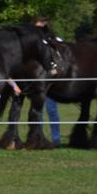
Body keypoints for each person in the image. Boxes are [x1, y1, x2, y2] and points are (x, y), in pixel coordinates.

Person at [33, 16, 61, 146]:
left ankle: (56, 138)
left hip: (50, 82)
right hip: (37, 82)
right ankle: (38, 136)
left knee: (52, 110)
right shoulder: (32, 43)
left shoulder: (54, 41)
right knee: (38, 110)